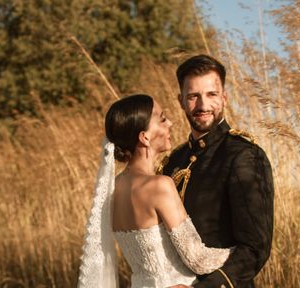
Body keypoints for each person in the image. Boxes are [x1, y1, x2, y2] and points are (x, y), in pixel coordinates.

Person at [77, 94, 233, 288]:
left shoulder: (111, 190)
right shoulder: (159, 186)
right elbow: (198, 259)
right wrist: (243, 253)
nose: (171, 123)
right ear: (144, 137)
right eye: (162, 118)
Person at [160, 54, 274, 288]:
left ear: (224, 98)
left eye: (211, 95)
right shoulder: (173, 161)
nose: (203, 105)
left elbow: (255, 249)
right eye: (193, 96)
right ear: (181, 100)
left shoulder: (243, 155)